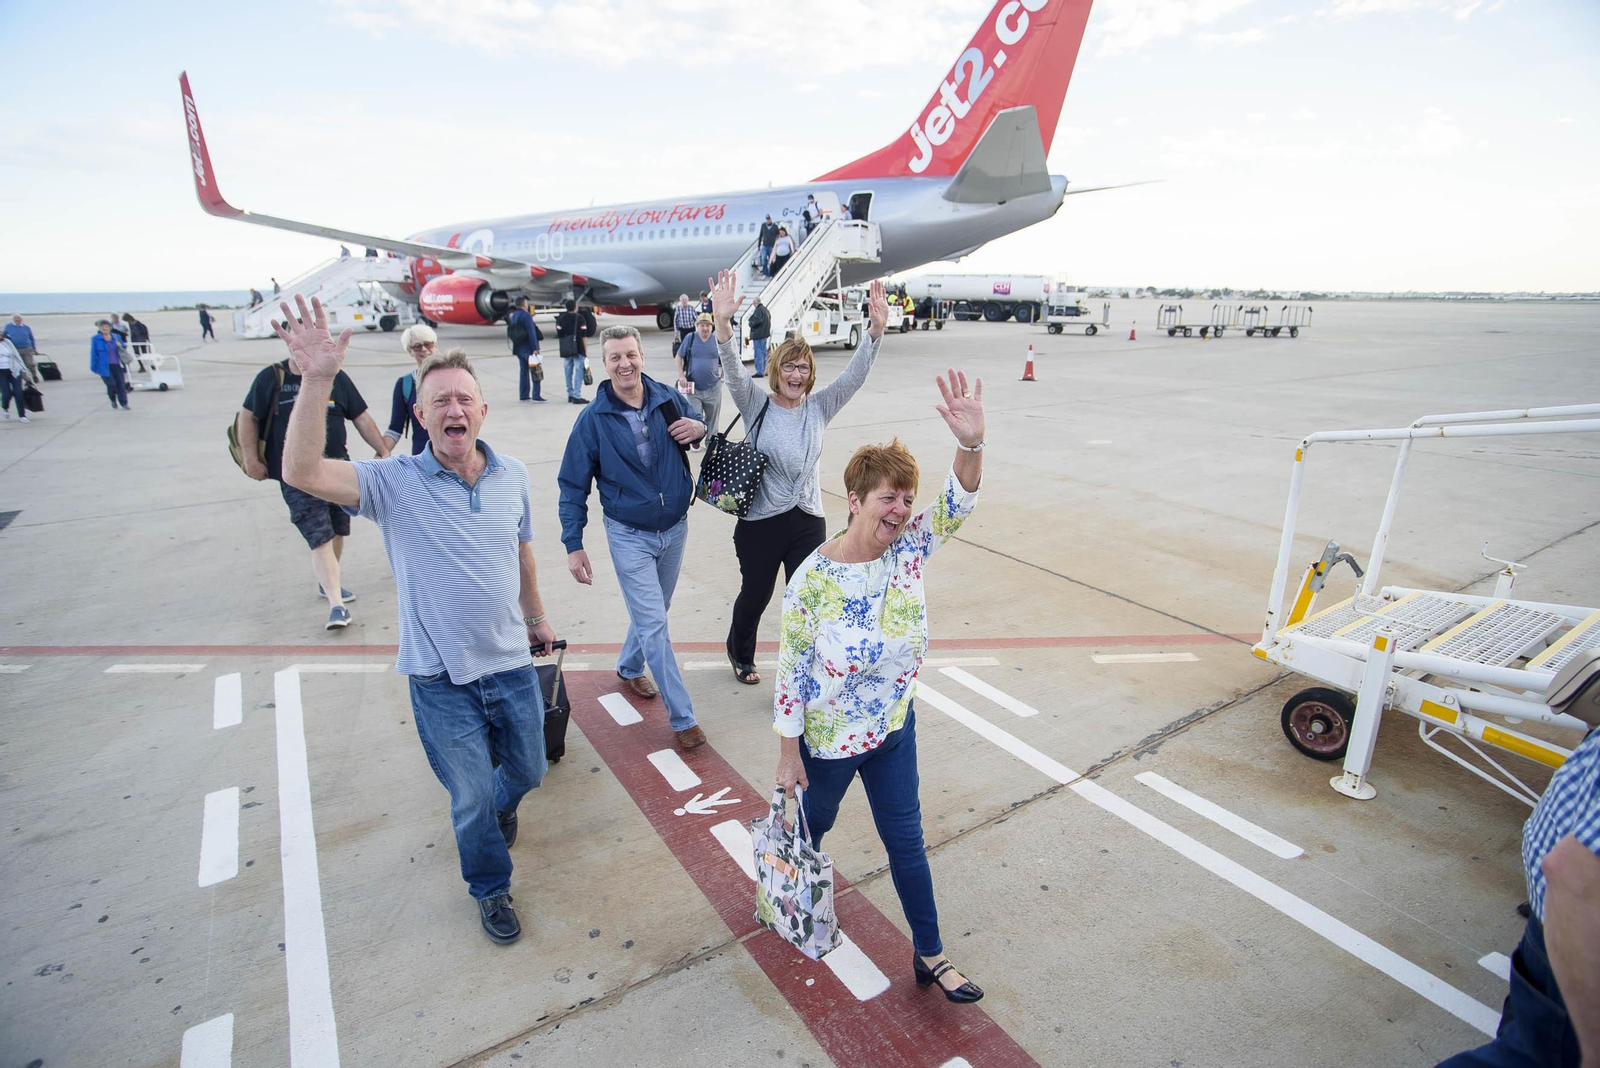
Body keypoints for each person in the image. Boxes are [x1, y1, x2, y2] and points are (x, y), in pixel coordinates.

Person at [271, 294, 559, 946]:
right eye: (441, 402)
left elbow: (520, 552)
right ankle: (490, 887)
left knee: (529, 772)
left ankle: (499, 806)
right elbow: (301, 470)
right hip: (439, 678)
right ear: (421, 415)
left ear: (482, 410)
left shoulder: (512, 475)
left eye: (465, 399)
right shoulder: (391, 482)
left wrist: (536, 616)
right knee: (467, 799)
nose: (454, 409)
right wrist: (316, 380)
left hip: (511, 661)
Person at [773, 369, 987, 1005]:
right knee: (814, 830)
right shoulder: (813, 578)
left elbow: (958, 501)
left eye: (905, 498)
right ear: (855, 500)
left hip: (893, 729)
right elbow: (791, 669)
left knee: (907, 842)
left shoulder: (911, 549)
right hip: (831, 740)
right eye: (887, 498)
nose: (899, 509)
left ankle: (932, 955)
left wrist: (971, 444)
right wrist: (789, 753)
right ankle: (789, 896)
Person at [710, 269, 886, 685]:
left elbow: (854, 377)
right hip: (760, 522)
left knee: (808, 598)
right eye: (789, 366)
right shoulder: (756, 404)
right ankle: (740, 651)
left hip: (808, 519)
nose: (797, 375)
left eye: (803, 368)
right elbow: (733, 370)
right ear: (777, 370)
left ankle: (804, 670)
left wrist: (874, 332)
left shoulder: (819, 407)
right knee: (756, 595)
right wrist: (722, 324)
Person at [557, 323, 709, 750]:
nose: (624, 363)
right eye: (615, 358)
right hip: (629, 534)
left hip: (675, 528)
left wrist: (698, 429)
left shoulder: (665, 397)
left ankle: (627, 667)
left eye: (630, 354)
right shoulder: (593, 420)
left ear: (641, 356)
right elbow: (572, 485)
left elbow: (696, 421)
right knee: (655, 624)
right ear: (604, 365)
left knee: (654, 612)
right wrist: (574, 544)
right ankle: (683, 718)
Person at [1434, 707, 1600, 1068]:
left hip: (1558, 902)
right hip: (1576, 914)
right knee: (1531, 1055)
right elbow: (1577, 877)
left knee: (1528, 1034)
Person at [234, 312, 389, 631]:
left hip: (337, 471)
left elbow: (360, 416)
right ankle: (336, 604)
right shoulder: (271, 378)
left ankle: (326, 581)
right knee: (319, 536)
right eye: (296, 332)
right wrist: (251, 458)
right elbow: (247, 417)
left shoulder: (337, 377)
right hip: (297, 475)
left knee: (337, 531)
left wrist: (383, 450)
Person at [383, 324, 436, 457]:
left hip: (455, 458)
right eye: (417, 346)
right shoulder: (404, 385)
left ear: (435, 346)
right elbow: (395, 428)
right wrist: (381, 453)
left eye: (428, 344)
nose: (424, 349)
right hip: (422, 459)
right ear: (410, 351)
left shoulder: (454, 378)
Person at [675, 312, 723, 435]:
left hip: (713, 388)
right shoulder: (690, 338)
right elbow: (678, 357)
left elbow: (727, 359)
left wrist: (723, 377)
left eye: (708, 325)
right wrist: (681, 376)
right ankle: (696, 438)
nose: (705, 328)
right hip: (694, 388)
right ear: (698, 326)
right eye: (702, 325)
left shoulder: (717, 339)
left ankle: (710, 445)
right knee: (695, 416)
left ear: (712, 326)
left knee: (712, 420)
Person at [507, 297, 545, 403]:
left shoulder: (513, 315)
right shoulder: (526, 315)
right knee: (535, 370)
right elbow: (531, 332)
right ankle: (536, 395)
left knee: (523, 372)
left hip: (519, 347)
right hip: (528, 348)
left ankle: (523, 394)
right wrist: (535, 348)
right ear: (524, 304)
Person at [554, 299, 590, 405]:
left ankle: (570, 393)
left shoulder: (561, 318)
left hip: (566, 348)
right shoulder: (580, 318)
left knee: (567, 371)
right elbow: (583, 336)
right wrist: (585, 351)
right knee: (579, 371)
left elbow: (559, 333)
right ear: (575, 307)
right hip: (578, 347)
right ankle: (577, 395)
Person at [89, 319, 130, 410]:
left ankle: (124, 403)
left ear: (110, 328)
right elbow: (93, 353)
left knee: (121, 384)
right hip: (104, 366)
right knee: (111, 384)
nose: (105, 328)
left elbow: (123, 347)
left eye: (106, 327)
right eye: (102, 327)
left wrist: (120, 345)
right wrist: (94, 367)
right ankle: (113, 399)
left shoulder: (116, 336)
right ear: (99, 328)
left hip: (117, 364)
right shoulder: (96, 339)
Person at [0, 333, 31, 422]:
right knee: (6, 394)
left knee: (18, 393)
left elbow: (17, 356)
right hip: (1, 372)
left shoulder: (7, 342)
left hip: (14, 370)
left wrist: (25, 371)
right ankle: (4, 407)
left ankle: (22, 415)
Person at [5, 315, 41, 382]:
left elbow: (31, 338)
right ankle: (27, 380)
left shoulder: (26, 328)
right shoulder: (8, 327)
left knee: (29, 364)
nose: (17, 321)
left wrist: (34, 348)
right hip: (16, 349)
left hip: (27, 348)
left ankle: (34, 375)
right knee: (21, 366)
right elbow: (4, 336)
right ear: (13, 320)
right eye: (15, 319)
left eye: (19, 319)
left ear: (21, 320)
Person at [747, 295, 772, 376]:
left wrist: (751, 324)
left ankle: (760, 371)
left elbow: (757, 321)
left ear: (755, 302)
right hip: (765, 334)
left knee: (759, 354)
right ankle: (764, 370)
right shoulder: (765, 310)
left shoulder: (758, 310)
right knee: (764, 352)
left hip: (758, 335)